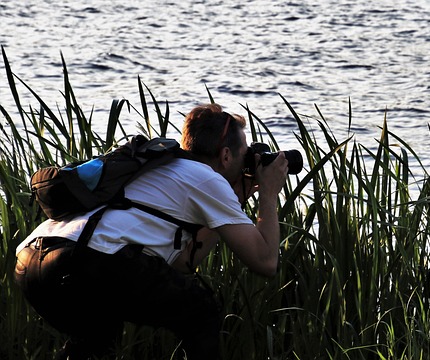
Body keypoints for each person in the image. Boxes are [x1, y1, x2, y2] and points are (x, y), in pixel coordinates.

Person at [13, 103, 289, 359]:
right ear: (226, 155)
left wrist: (231, 204)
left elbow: (180, 263)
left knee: (95, 342)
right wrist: (268, 191)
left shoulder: (161, 165)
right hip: (89, 260)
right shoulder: (208, 178)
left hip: (33, 262)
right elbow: (265, 262)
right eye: (244, 155)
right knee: (201, 312)